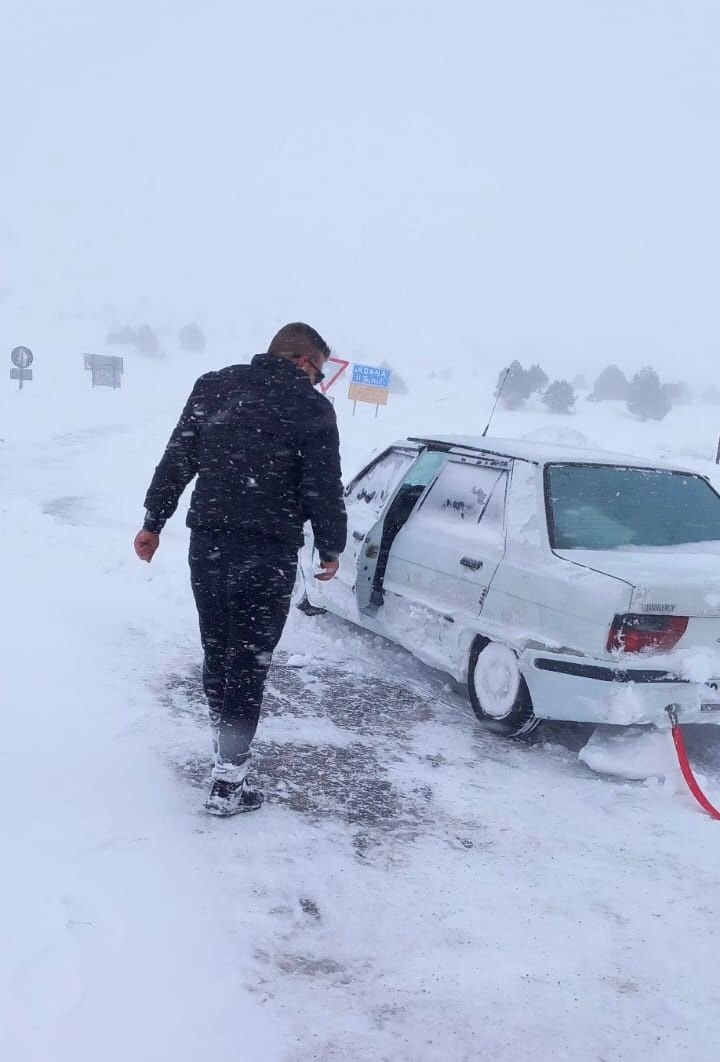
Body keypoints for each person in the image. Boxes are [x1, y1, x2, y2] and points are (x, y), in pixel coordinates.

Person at [134, 323, 347, 816]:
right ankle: (229, 780)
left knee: (218, 650)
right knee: (247, 662)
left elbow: (178, 457)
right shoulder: (312, 409)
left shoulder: (214, 386)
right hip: (267, 555)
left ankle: (224, 756)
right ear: (302, 361)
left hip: (209, 546)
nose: (316, 384)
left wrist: (153, 521)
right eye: (317, 373)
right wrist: (330, 547)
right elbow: (322, 484)